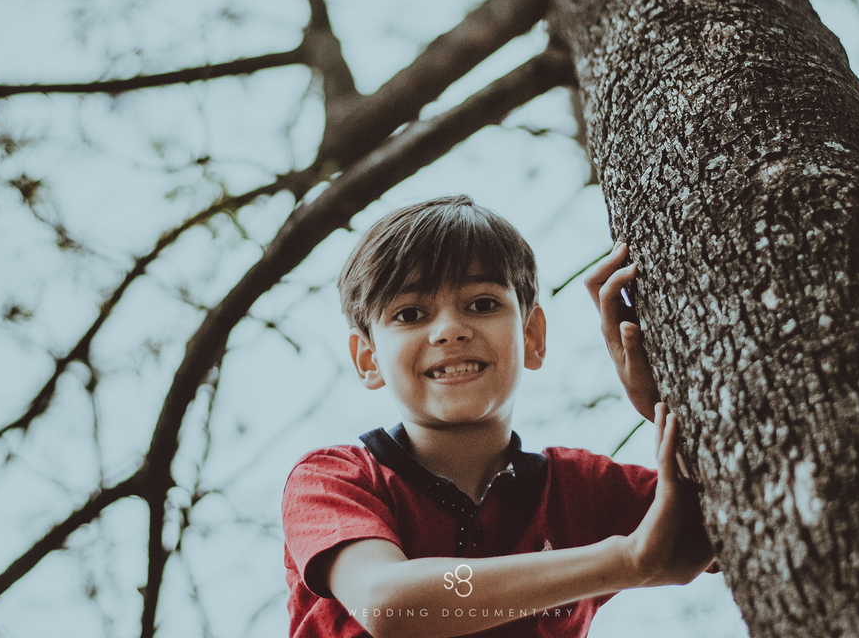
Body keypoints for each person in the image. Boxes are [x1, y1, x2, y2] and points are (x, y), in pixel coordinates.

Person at [282, 195, 715, 637]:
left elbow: (737, 513)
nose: (449, 330)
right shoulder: (334, 479)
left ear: (532, 335)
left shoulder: (581, 490)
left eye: (483, 304)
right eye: (410, 314)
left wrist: (661, 403)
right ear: (368, 359)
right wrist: (626, 562)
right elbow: (388, 604)